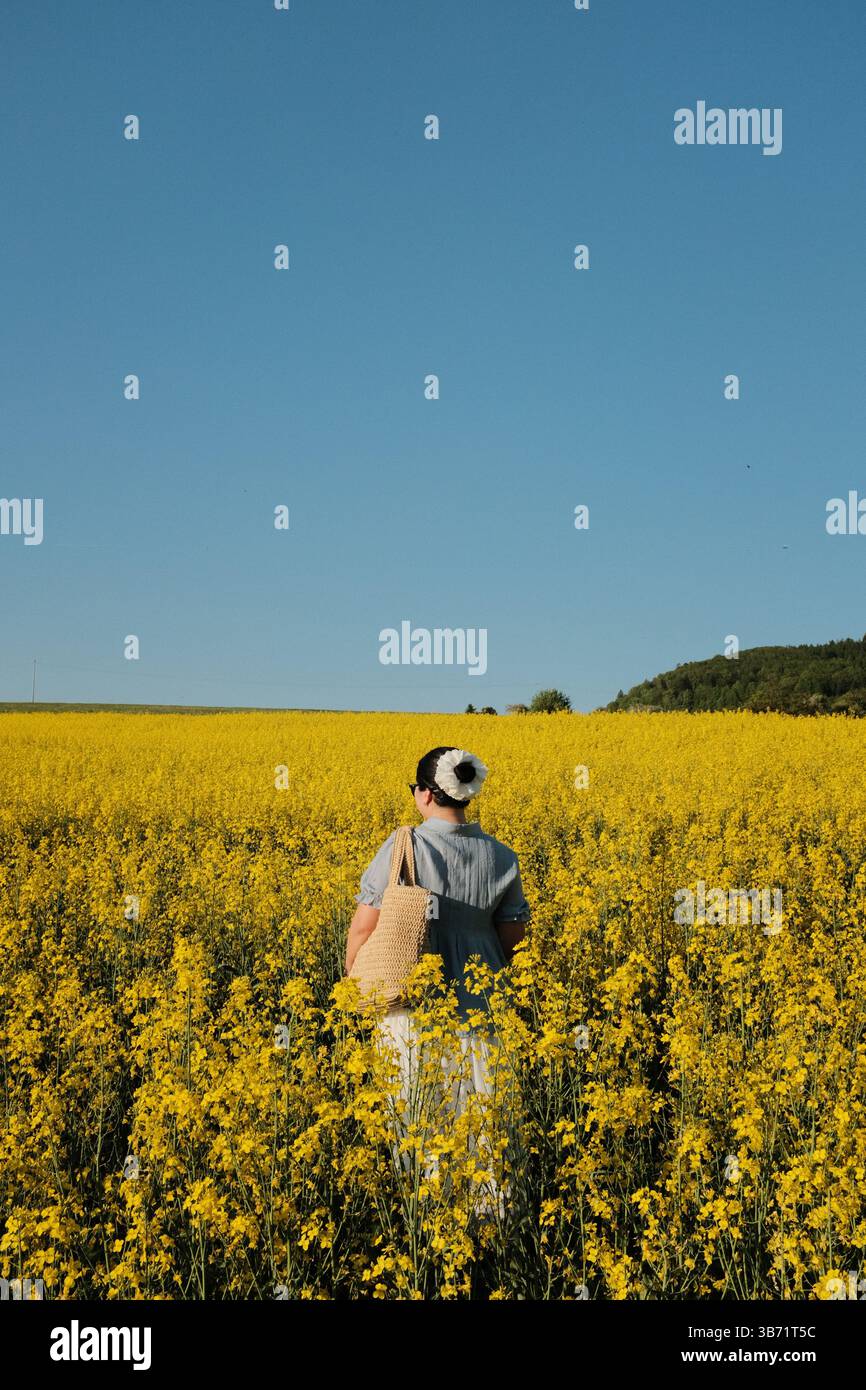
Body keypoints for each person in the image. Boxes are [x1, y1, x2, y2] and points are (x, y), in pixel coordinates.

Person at [344, 746, 530, 1212]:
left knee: (419, 1125)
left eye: (416, 790)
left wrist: (358, 983)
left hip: (411, 1009)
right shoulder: (503, 857)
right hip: (485, 1011)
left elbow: (365, 928)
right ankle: (488, 1235)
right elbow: (514, 940)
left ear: (425, 793)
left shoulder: (405, 845)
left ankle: (429, 1229)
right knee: (486, 1128)